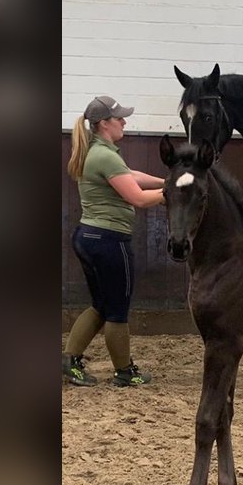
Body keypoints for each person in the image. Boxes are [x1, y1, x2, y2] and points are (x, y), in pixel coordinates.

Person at [63, 97, 164, 386]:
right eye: (119, 118)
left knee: (100, 305)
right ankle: (124, 372)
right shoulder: (104, 155)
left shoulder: (98, 152)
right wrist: (176, 193)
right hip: (109, 241)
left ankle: (69, 360)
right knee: (117, 309)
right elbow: (137, 198)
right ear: (104, 123)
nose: (124, 121)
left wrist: (165, 182)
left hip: (89, 236)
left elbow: (131, 176)